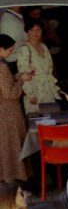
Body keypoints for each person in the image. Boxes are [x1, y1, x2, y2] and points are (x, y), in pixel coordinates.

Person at [0, 35, 30, 182]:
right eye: (9, 50)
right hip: (9, 113)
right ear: (1, 49)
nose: (11, 53)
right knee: (13, 146)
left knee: (5, 148)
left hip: (3, 113)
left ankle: (7, 178)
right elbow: (10, 93)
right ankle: (16, 178)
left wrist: (17, 77)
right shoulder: (2, 67)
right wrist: (21, 81)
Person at [17, 18, 59, 114]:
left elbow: (50, 70)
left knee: (51, 118)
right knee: (37, 119)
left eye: (38, 30)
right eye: (32, 30)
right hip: (34, 90)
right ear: (27, 31)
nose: (35, 33)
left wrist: (54, 88)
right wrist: (30, 95)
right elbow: (23, 74)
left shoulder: (44, 46)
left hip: (47, 89)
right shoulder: (24, 49)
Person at [0, 7, 27, 72]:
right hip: (14, 61)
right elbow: (10, 47)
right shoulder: (9, 20)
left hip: (17, 59)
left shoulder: (13, 17)